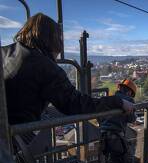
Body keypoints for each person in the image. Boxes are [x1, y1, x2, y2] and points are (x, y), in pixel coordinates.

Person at [1, 13, 133, 125]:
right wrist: (117, 101)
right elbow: (75, 104)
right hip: (11, 138)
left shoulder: (3, 52)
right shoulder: (46, 67)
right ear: (53, 41)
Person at [100, 79, 137, 163]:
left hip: (105, 136)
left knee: (116, 162)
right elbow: (131, 118)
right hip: (116, 136)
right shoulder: (128, 100)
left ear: (119, 88)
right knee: (127, 162)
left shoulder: (111, 99)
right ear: (129, 92)